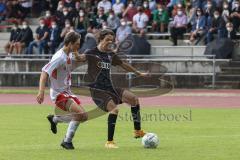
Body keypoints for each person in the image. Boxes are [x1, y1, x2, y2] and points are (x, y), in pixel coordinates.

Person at [76, 29, 147, 148]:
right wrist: (73, 48)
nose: (110, 42)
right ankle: (109, 142)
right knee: (114, 110)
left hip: (110, 87)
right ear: (100, 39)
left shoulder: (110, 54)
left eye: (112, 40)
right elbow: (79, 58)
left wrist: (137, 72)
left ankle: (137, 131)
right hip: (97, 90)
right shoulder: (91, 52)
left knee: (134, 99)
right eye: (107, 40)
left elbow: (123, 64)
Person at [37, 31, 88, 150]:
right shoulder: (59, 57)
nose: (78, 47)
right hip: (58, 93)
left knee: (84, 116)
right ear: (70, 43)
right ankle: (67, 141)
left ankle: (55, 119)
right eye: (77, 44)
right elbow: (44, 72)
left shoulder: (69, 53)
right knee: (80, 114)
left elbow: (79, 57)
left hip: (67, 92)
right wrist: (41, 91)